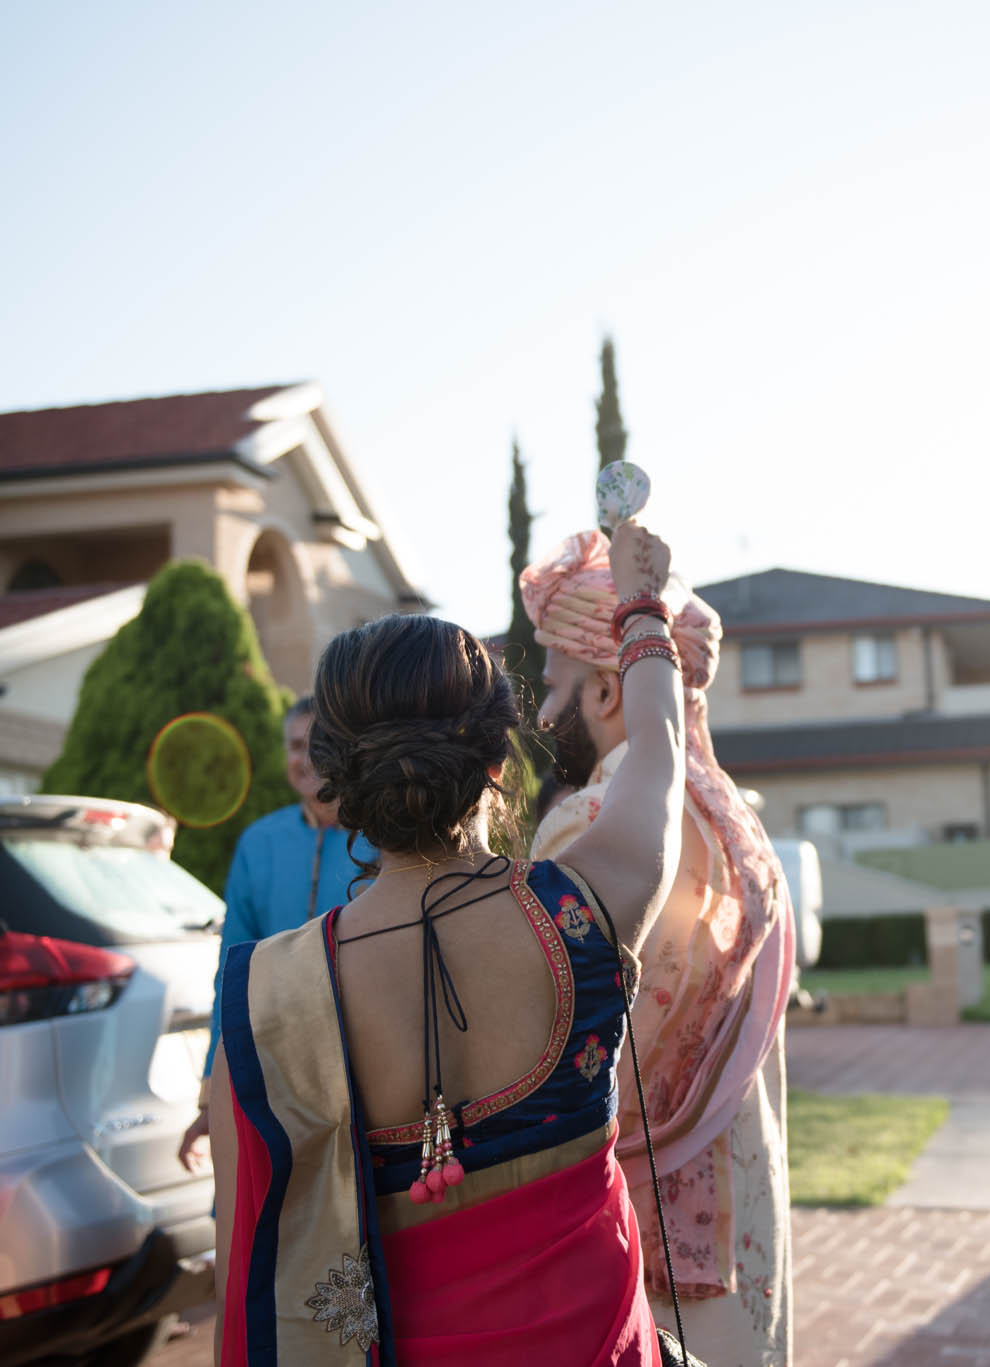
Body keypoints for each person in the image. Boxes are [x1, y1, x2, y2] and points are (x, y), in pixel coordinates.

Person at [209, 519, 687, 1366]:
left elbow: (244, 1281)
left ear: (337, 781)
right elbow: (658, 749)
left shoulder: (266, 997)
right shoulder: (585, 906)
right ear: (500, 759)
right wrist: (643, 603)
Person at [521, 530, 794, 1367]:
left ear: (610, 689)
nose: (541, 716)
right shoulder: (733, 818)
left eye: (553, 687)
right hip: (742, 1193)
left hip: (649, 1227)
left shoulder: (590, 823)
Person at [178, 696, 377, 1171]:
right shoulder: (259, 843)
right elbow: (232, 974)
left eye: (317, 744)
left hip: (366, 1074)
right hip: (270, 1077)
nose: (305, 758)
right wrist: (212, 1096)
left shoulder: (382, 841)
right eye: (294, 745)